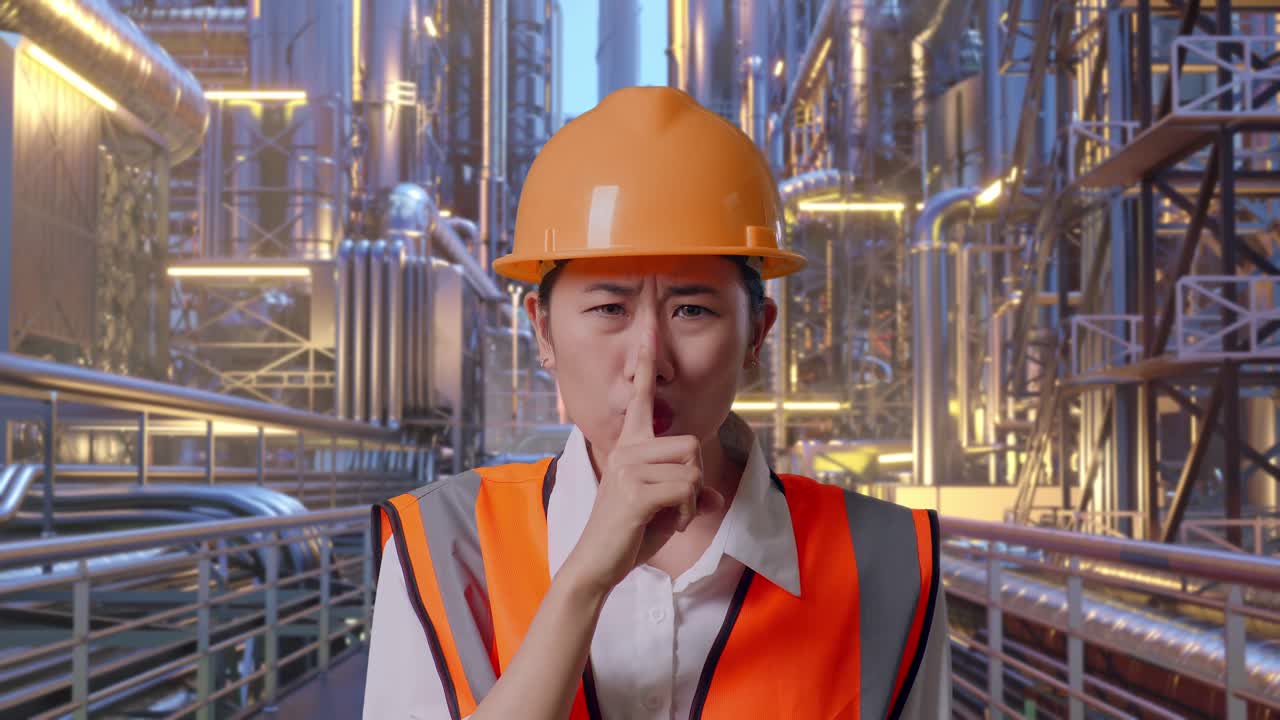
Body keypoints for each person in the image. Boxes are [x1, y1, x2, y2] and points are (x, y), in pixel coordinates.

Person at [363, 85, 950, 720]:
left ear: (757, 332)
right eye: (609, 308)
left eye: (692, 310)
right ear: (543, 330)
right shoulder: (445, 545)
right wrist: (585, 579)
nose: (650, 362)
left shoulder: (889, 559)